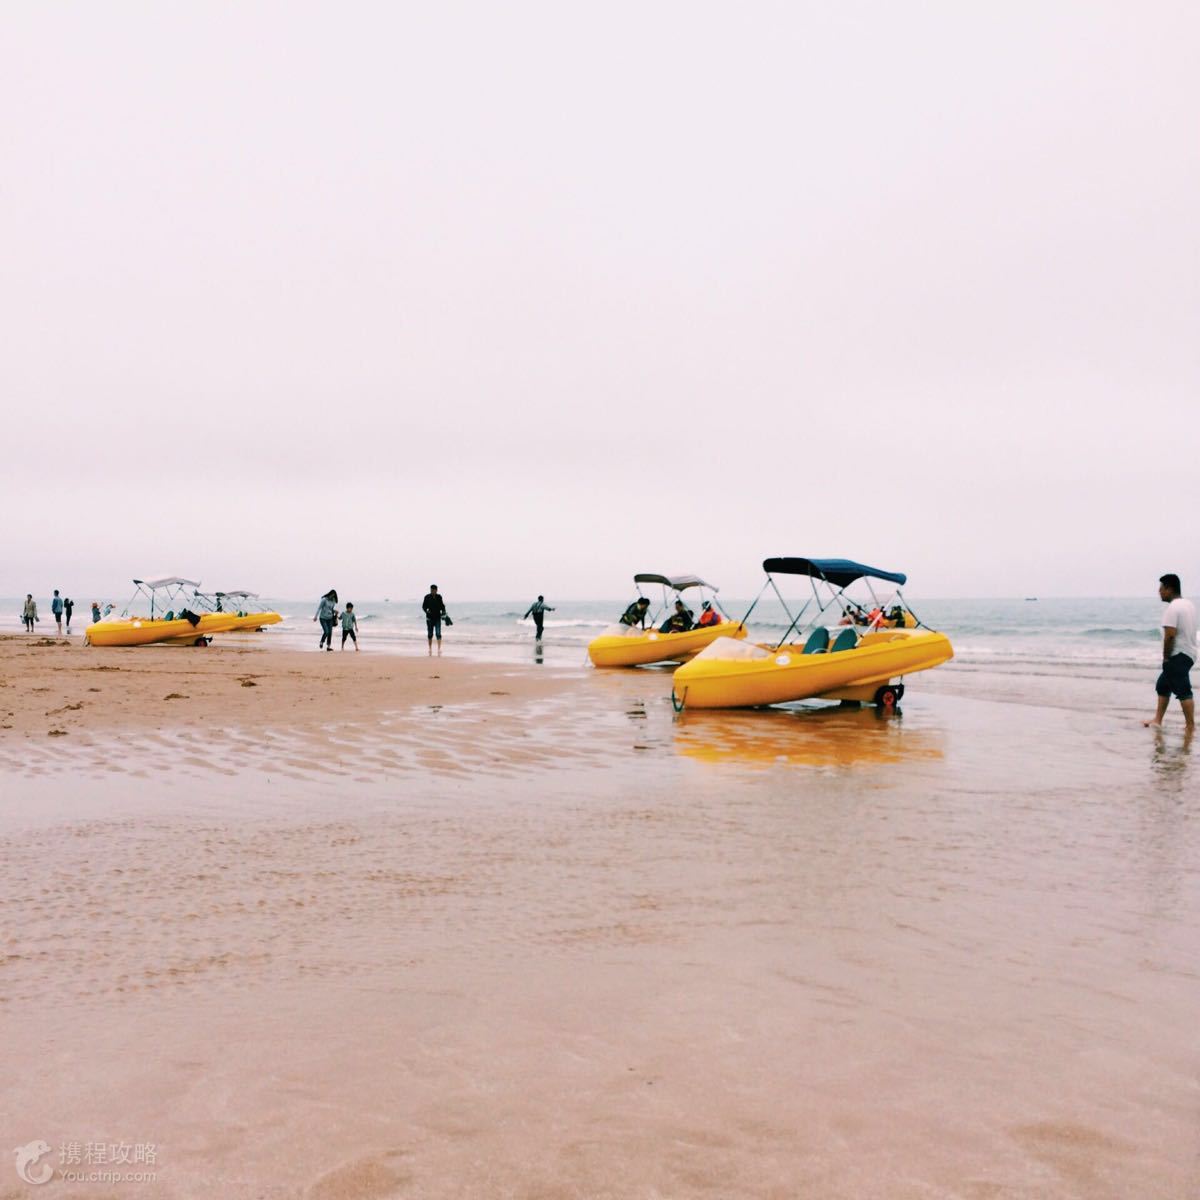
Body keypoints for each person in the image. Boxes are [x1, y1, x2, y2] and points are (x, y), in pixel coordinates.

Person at [1144, 573, 1196, 732]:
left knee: (1183, 691)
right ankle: (1157, 720)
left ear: (1169, 588)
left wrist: (1166, 657)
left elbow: (1170, 635)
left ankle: (1190, 726)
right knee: (1162, 686)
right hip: (1189, 652)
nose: (1159, 592)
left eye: (1161, 588)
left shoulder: (1172, 608)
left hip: (1177, 655)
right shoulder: (1188, 605)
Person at [422, 585, 447, 655]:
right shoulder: (427, 597)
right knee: (430, 634)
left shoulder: (439, 597)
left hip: (437, 618)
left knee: (438, 633)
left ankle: (439, 648)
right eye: (431, 590)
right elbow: (424, 606)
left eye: (434, 590)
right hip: (429, 618)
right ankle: (430, 648)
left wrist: (444, 612)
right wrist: (426, 610)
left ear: (436, 590)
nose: (432, 591)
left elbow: (442, 605)